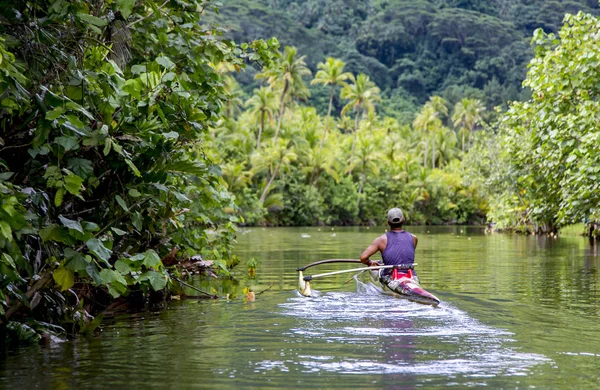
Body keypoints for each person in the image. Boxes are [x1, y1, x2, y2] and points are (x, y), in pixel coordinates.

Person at [360, 207, 419, 285]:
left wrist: (370, 263)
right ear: (403, 221)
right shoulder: (414, 238)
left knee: (373, 268)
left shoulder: (381, 240)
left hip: (391, 277)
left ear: (388, 222)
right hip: (411, 277)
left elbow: (363, 258)